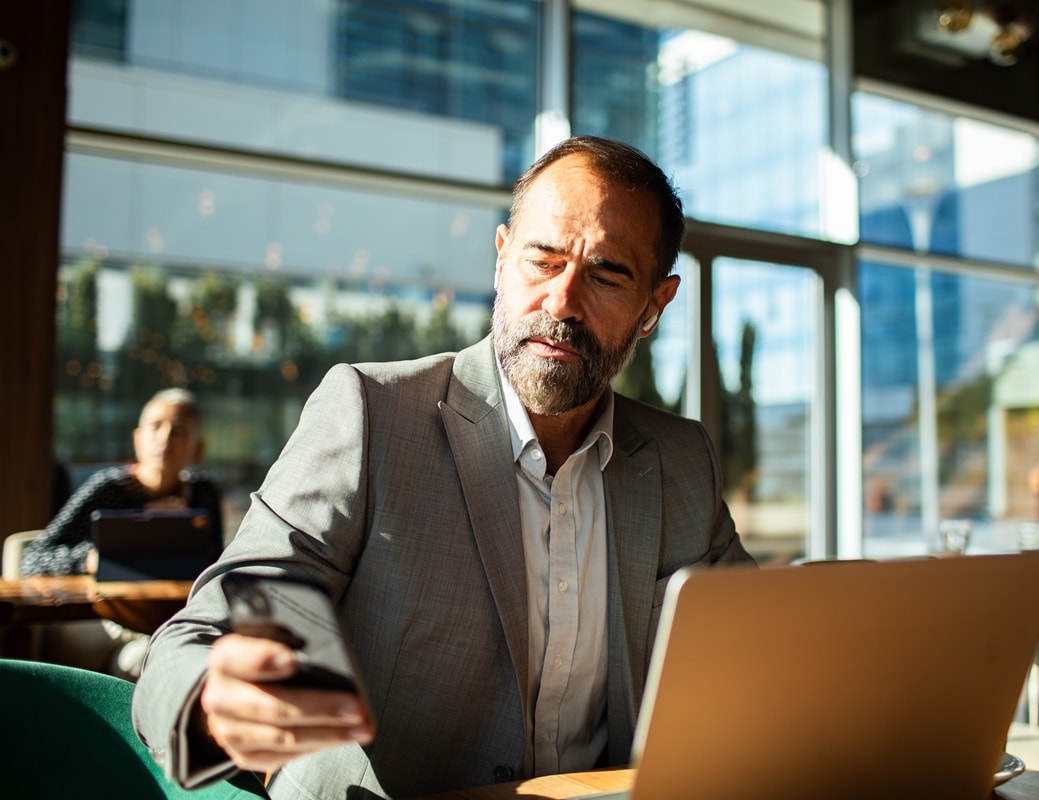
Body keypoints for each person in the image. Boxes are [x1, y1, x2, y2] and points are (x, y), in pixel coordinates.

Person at [131, 136, 755, 799]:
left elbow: (759, 646)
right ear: (500, 261)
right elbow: (199, 635)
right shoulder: (372, 415)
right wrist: (212, 695)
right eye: (541, 261)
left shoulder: (680, 461)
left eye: (606, 276)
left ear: (655, 306)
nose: (562, 302)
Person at [21, 387, 223, 576]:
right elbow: (33, 559)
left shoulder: (202, 493)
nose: (165, 437)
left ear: (199, 449)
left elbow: (218, 563)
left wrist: (182, 530)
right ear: (137, 439)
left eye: (179, 430)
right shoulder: (109, 489)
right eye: (155, 426)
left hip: (180, 605)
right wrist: (92, 559)